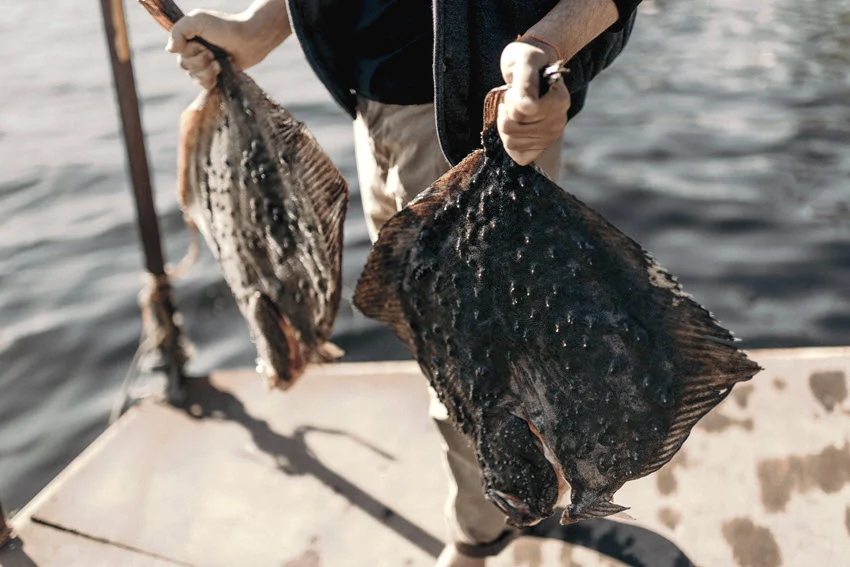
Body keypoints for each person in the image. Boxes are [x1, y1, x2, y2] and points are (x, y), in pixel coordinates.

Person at [166, 1, 639, 565]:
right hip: (371, 112)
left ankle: (480, 538)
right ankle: (523, 484)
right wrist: (257, 29)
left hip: (474, 117)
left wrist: (547, 47)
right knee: (450, 355)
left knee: (471, 385)